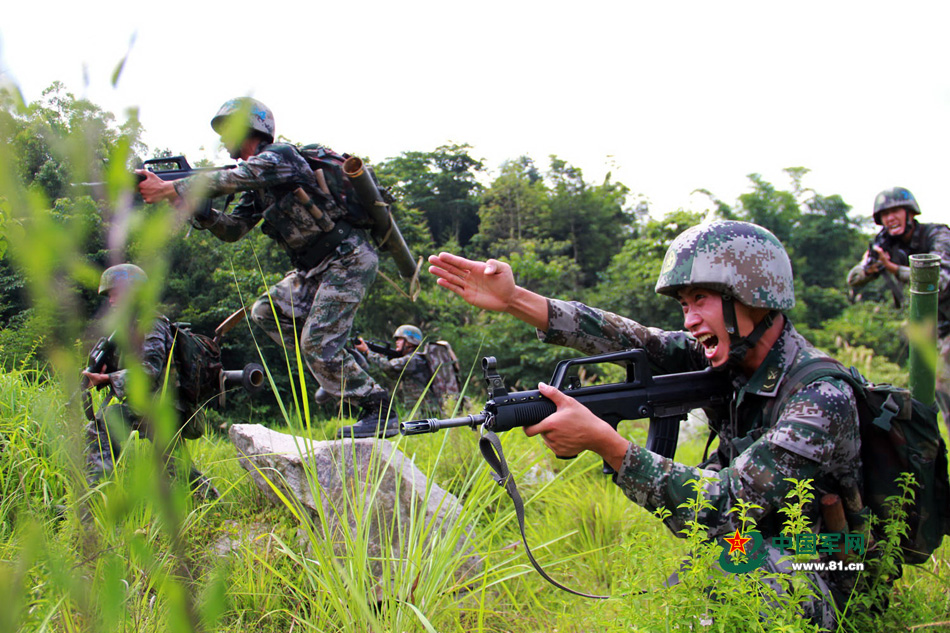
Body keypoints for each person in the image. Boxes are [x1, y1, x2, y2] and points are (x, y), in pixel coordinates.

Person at [429, 221, 871, 628]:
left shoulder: (819, 396)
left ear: (751, 297)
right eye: (684, 304)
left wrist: (609, 445)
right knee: (700, 583)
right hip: (764, 541)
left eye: (701, 300)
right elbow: (631, 338)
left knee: (745, 581)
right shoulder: (731, 358)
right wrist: (516, 300)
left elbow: (727, 509)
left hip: (835, 555)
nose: (689, 319)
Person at [137, 97, 397, 439]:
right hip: (314, 267)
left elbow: (239, 176)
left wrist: (172, 185)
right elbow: (233, 230)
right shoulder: (257, 188)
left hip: (347, 257)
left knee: (317, 344)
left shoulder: (281, 158)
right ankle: (341, 367)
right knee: (267, 311)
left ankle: (380, 409)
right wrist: (201, 212)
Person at [82, 264, 218, 499]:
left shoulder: (152, 324)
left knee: (106, 422)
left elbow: (149, 371)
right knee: (174, 463)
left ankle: (96, 497)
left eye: (115, 293)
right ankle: (212, 500)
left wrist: (107, 378)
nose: (111, 299)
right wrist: (107, 373)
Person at [847, 187, 950, 433]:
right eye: (884, 214)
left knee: (942, 382)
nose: (890, 218)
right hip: (940, 326)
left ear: (910, 213)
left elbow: (940, 280)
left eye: (895, 211)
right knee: (940, 386)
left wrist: (893, 268)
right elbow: (853, 278)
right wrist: (871, 267)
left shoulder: (937, 235)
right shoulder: (885, 243)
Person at [354, 325, 439, 414]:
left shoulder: (413, 359)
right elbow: (393, 375)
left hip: (424, 409)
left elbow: (388, 366)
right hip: (417, 408)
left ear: (409, 342)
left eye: (400, 339)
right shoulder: (413, 359)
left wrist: (367, 351)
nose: (397, 342)